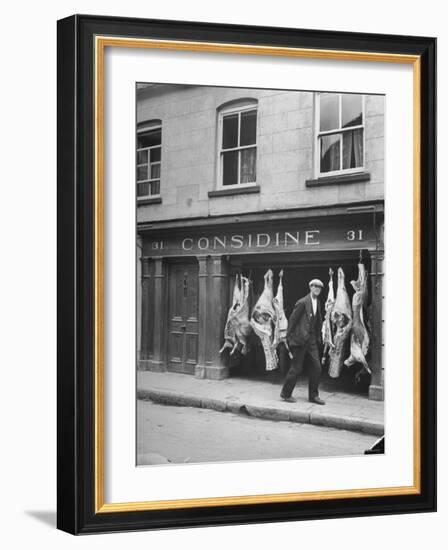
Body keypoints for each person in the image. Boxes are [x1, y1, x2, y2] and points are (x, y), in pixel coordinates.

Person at [280, 279, 325, 405]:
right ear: (310, 287)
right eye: (315, 286)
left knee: (316, 367)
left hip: (312, 340)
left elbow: (318, 320)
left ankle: (313, 396)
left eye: (319, 287)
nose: (317, 289)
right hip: (300, 340)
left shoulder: (318, 302)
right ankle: (286, 393)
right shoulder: (302, 302)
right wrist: (288, 338)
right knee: (296, 368)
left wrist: (318, 337)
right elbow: (293, 320)